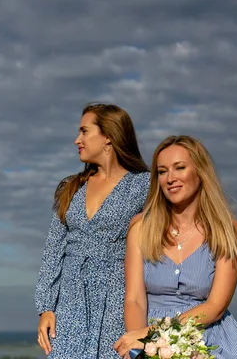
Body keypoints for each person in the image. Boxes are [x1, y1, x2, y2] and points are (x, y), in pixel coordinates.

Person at [114, 135, 237, 359]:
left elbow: (215, 306)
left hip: (207, 338)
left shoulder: (228, 230)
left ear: (200, 171)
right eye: (162, 171)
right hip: (146, 339)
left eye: (179, 168)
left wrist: (154, 334)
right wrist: (139, 346)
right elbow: (134, 299)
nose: (170, 178)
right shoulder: (141, 227)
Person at [35, 103, 151, 358]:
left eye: (84, 131)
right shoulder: (70, 187)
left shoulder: (144, 185)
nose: (78, 139)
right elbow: (53, 249)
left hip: (119, 300)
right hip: (70, 302)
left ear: (108, 135)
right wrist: (46, 308)